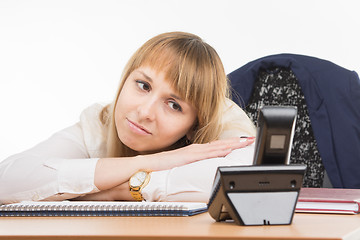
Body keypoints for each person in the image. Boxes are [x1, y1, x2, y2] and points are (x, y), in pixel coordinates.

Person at [0, 32, 256, 204]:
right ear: (125, 79)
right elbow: (7, 180)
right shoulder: (100, 121)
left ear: (194, 126)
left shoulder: (225, 121)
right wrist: (159, 161)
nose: (145, 112)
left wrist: (114, 190)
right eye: (143, 85)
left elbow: (246, 184)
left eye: (173, 105)